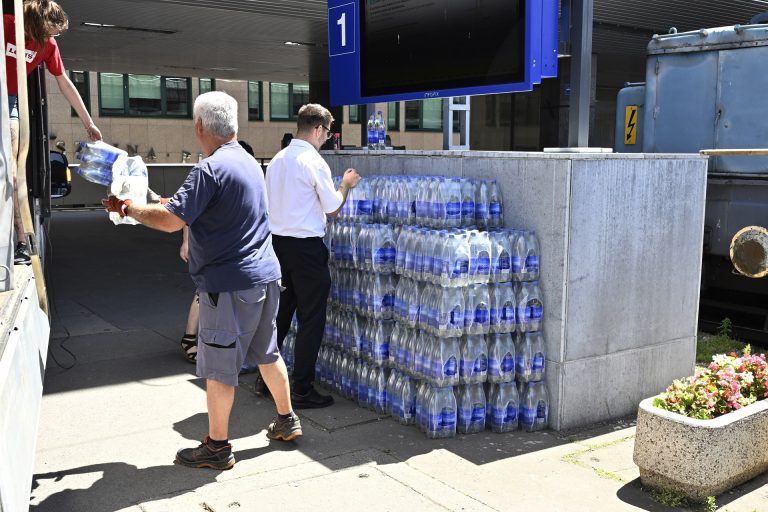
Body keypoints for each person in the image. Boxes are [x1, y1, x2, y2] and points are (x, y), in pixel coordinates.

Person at [103, 91, 301, 470]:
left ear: (199, 126)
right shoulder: (247, 161)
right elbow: (193, 207)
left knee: (219, 368)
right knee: (267, 352)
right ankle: (287, 420)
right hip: (265, 277)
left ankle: (217, 446)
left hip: (229, 284)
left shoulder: (208, 170)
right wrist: (160, 202)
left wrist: (128, 208)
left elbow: (171, 221)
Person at [265, 104, 361, 409]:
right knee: (311, 320)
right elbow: (332, 207)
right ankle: (303, 389)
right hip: (306, 248)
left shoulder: (278, 159)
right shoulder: (312, 160)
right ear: (318, 129)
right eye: (327, 134)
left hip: (278, 245)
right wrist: (345, 185)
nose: (326, 140)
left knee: (280, 316)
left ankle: (267, 379)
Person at [4, 0, 102, 264]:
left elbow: (64, 83)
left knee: (13, 172)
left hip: (11, 101)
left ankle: (21, 242)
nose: (54, 35)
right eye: (51, 30)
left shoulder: (47, 46)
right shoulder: (7, 26)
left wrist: (88, 122)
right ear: (36, 23)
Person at [176, 139, 257, 365]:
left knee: (210, 294)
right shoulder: (210, 172)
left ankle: (205, 338)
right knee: (204, 293)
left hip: (224, 249)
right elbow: (187, 213)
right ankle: (191, 338)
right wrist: (186, 242)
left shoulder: (230, 176)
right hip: (212, 249)